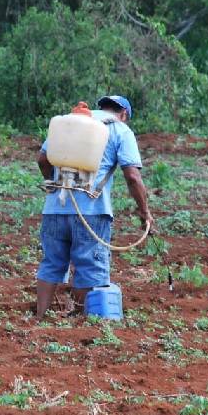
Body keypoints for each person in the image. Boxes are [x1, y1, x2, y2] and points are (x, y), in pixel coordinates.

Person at [35, 95, 152, 319]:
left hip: (54, 208)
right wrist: (144, 212)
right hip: (92, 210)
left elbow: (42, 160)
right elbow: (133, 177)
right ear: (124, 114)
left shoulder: (68, 122)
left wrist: (53, 183)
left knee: (51, 263)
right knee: (89, 266)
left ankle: (40, 317)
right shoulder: (120, 130)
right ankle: (81, 320)